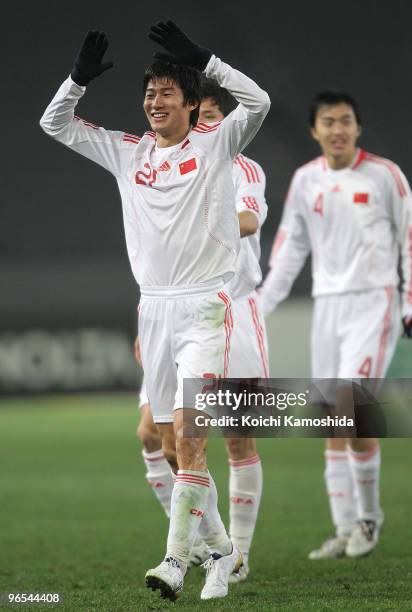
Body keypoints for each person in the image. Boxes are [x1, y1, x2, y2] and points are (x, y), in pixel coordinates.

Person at [40, 23, 270, 601]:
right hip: (155, 311)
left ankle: (174, 561)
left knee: (192, 436)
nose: (155, 101)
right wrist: (76, 81)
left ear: (193, 106)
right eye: (150, 93)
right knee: (168, 444)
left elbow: (259, 101)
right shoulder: (128, 153)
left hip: (206, 311)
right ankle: (220, 552)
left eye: (168, 92)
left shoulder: (218, 147)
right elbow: (54, 123)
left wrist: (206, 61)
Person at [261, 91, 412, 559]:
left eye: (346, 121)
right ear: (314, 130)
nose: (338, 129)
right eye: (328, 121)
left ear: (358, 127)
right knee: (334, 419)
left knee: (351, 402)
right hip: (327, 306)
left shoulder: (384, 175)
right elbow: (290, 250)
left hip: (375, 302)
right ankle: (343, 528)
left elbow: (411, 240)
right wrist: (261, 303)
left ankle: (369, 520)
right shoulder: (305, 181)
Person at [135, 79, 268, 583]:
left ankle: (239, 556)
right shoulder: (166, 165)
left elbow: (250, 221)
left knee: (236, 436)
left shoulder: (242, 167)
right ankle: (217, 549)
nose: (209, 125)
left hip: (231, 306)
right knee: (157, 435)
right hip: (172, 309)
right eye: (204, 116)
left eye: (216, 116)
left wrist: (200, 220)